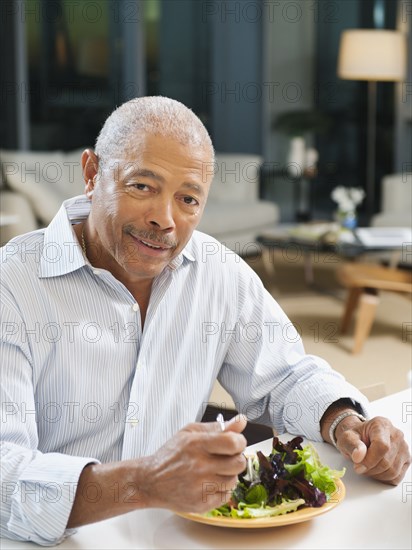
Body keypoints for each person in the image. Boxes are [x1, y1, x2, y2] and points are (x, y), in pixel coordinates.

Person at [1, 96, 410, 546]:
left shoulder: (218, 270)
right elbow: (6, 472)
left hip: (171, 534)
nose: (165, 219)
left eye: (188, 199)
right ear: (92, 173)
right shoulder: (13, 287)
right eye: (142, 186)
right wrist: (142, 482)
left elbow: (284, 376)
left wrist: (344, 420)